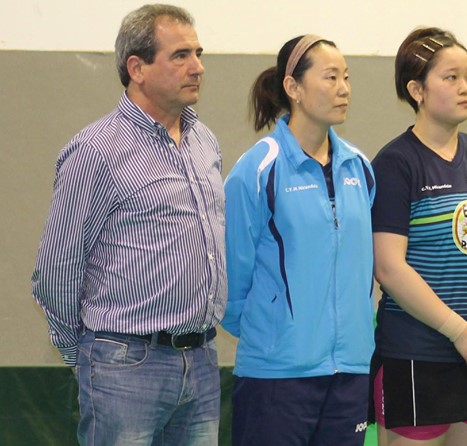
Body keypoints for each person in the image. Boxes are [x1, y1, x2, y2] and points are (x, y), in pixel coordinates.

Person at [31, 4, 223, 445]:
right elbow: (55, 271)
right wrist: (89, 357)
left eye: (198, 52)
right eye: (180, 55)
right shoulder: (97, 150)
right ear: (136, 67)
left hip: (202, 361)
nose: (198, 67)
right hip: (124, 366)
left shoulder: (204, 141)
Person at [370, 27, 467, 446]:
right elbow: (388, 266)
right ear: (416, 89)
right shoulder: (395, 163)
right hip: (418, 354)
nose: (465, 88)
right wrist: (457, 330)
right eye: (451, 78)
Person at [222, 34, 375, 445]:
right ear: (293, 88)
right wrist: (278, 336)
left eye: (346, 77)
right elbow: (231, 285)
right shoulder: (257, 170)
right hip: (276, 377)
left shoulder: (360, 168)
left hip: (350, 373)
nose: (344, 89)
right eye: (330, 77)